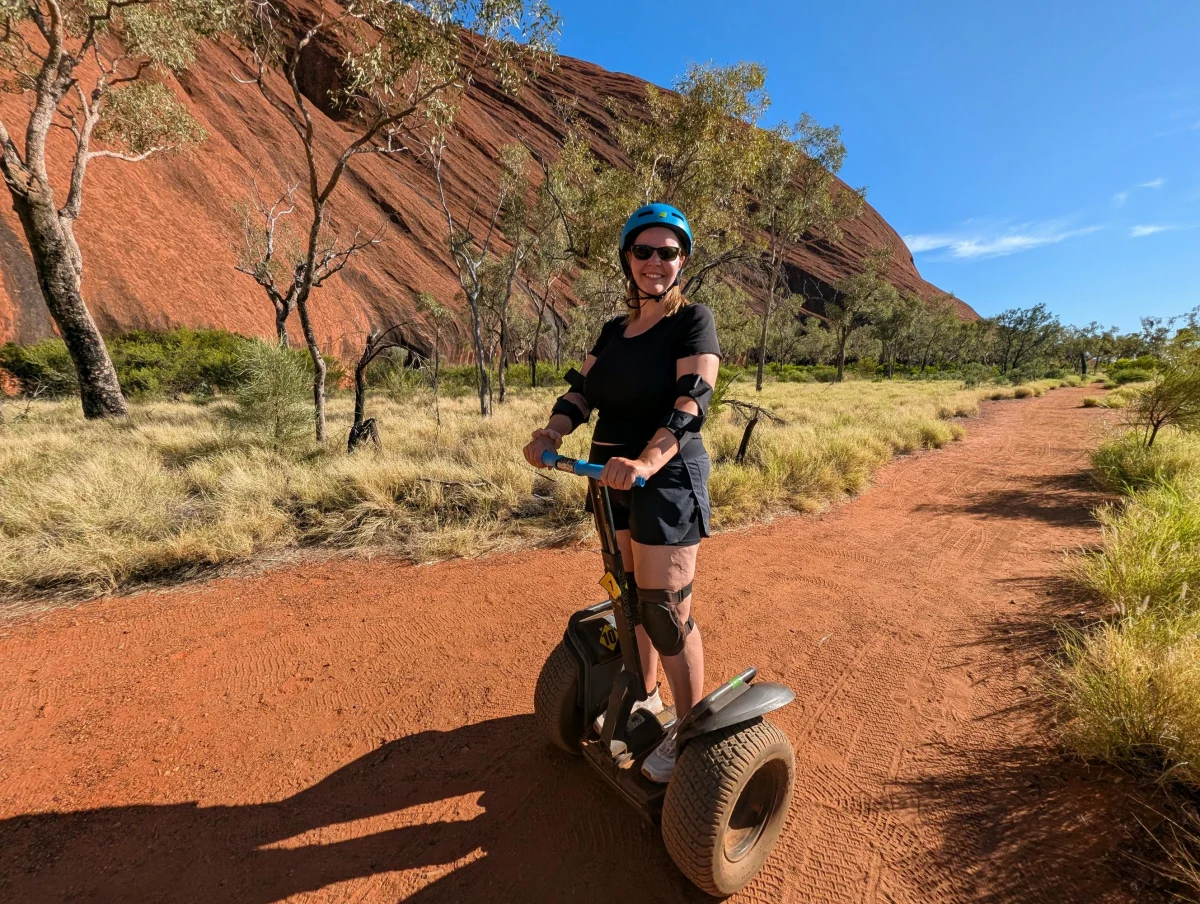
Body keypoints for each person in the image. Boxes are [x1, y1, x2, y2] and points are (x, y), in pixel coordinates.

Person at [522, 202, 720, 783]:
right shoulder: (613, 330)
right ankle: (647, 694)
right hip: (609, 480)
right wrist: (551, 432)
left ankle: (690, 730)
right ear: (627, 259)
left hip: (665, 480)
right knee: (631, 596)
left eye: (668, 252)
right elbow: (582, 392)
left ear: (681, 261)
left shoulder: (692, 320)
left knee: (666, 610)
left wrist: (648, 459)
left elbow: (693, 397)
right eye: (644, 251)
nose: (655, 262)